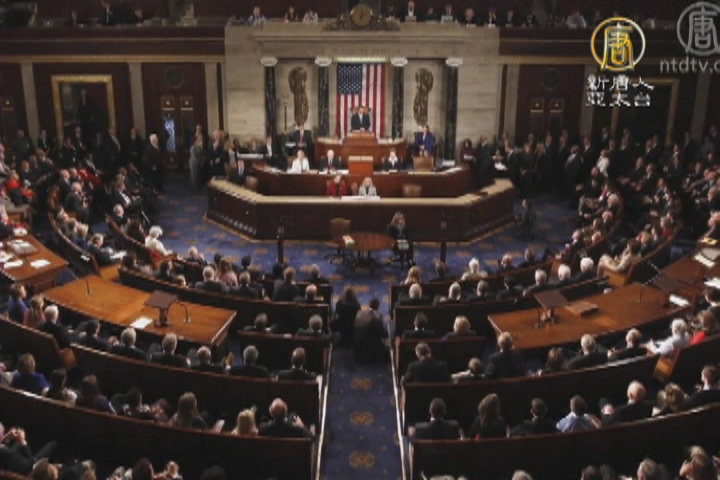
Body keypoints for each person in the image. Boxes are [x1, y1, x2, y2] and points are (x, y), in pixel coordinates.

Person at [353, 298, 389, 363]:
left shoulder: (359, 313)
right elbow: (384, 334)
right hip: (370, 347)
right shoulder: (377, 317)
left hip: (357, 344)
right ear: (377, 306)